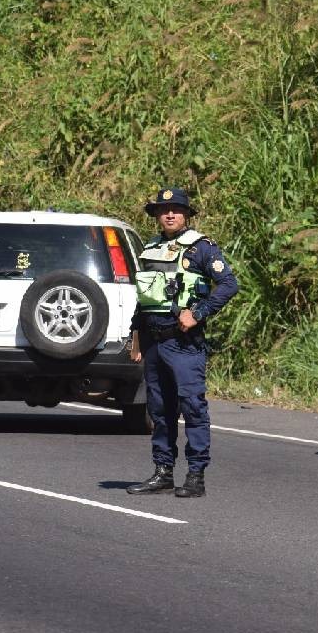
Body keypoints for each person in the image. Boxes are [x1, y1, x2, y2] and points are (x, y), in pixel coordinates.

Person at [127, 187, 239, 498]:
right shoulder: (150, 249)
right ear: (157, 216)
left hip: (184, 342)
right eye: (164, 210)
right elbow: (145, 298)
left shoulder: (201, 248)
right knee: (159, 409)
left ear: (186, 214)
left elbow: (229, 284)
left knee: (192, 407)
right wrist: (135, 336)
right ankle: (163, 472)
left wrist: (199, 313)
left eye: (176, 209)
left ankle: (195, 475)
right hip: (153, 340)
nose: (170, 214)